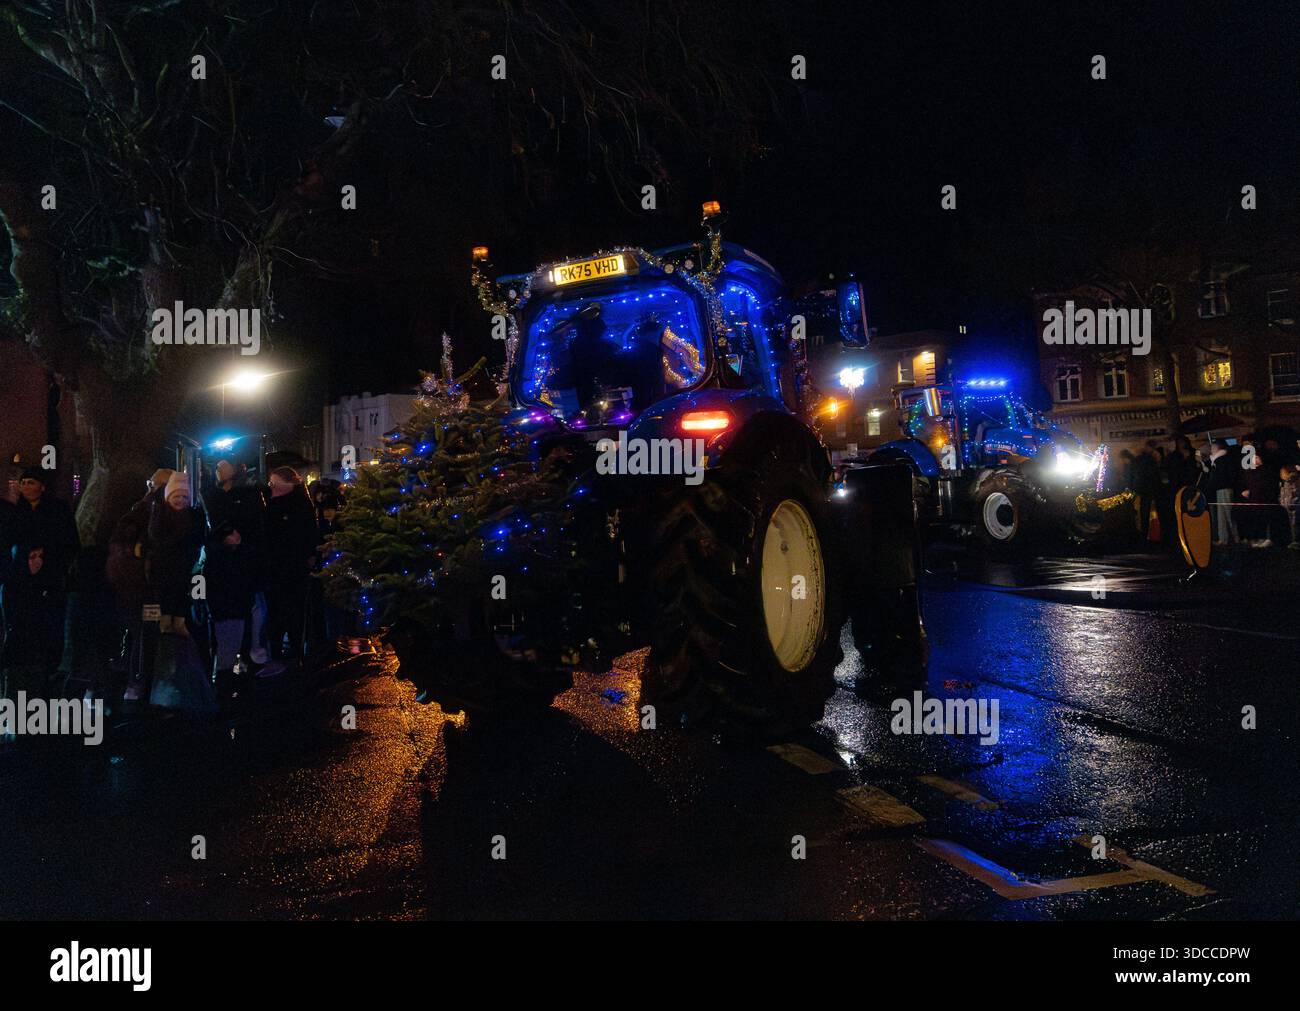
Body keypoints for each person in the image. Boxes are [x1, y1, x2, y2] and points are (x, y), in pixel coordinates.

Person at [2, 468, 80, 695]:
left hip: (50, 575)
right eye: (23, 482)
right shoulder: (17, 512)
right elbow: (9, 542)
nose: (27, 487)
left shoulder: (57, 510)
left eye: (31, 482)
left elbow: (69, 542)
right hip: (22, 578)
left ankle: (48, 667)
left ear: (42, 486)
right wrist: (24, 557)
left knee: (50, 622)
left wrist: (46, 557)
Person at [108, 468, 172, 700]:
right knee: (145, 633)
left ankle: (139, 680)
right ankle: (138, 681)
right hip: (144, 590)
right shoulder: (146, 511)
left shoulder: (142, 510)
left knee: (143, 633)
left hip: (142, 588)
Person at [263, 467, 318, 666]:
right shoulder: (270, 504)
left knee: (293, 612)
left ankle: (296, 652)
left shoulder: (299, 504)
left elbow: (308, 534)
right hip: (275, 568)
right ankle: (278, 650)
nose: (271, 487)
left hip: (293, 568)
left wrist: (307, 557)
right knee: (277, 612)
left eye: (274, 483)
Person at [1203, 440, 1237, 546]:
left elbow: (1221, 476)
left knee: (1228, 513)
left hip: (1224, 488)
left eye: (1213, 447)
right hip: (1219, 489)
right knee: (1221, 515)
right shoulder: (1216, 461)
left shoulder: (1222, 460)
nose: (1211, 449)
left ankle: (1234, 538)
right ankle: (1224, 538)